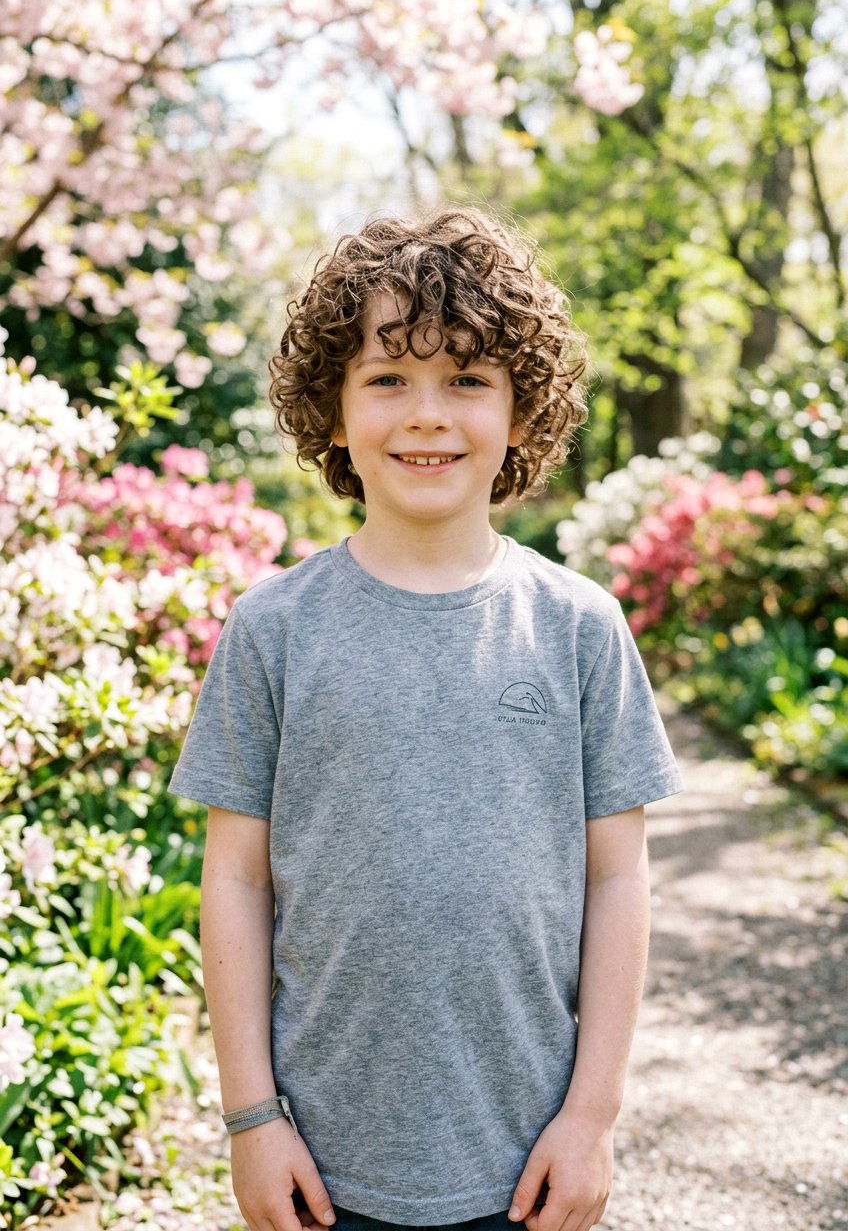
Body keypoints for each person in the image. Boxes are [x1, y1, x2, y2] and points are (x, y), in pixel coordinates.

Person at [167, 205, 685, 1231]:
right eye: (386, 377)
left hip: (527, 1160)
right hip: (320, 1161)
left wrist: (591, 1116)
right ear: (331, 409)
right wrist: (249, 1119)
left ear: (521, 413)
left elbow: (617, 877)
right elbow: (232, 877)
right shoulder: (271, 630)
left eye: (466, 379)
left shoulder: (577, 626)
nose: (426, 413)